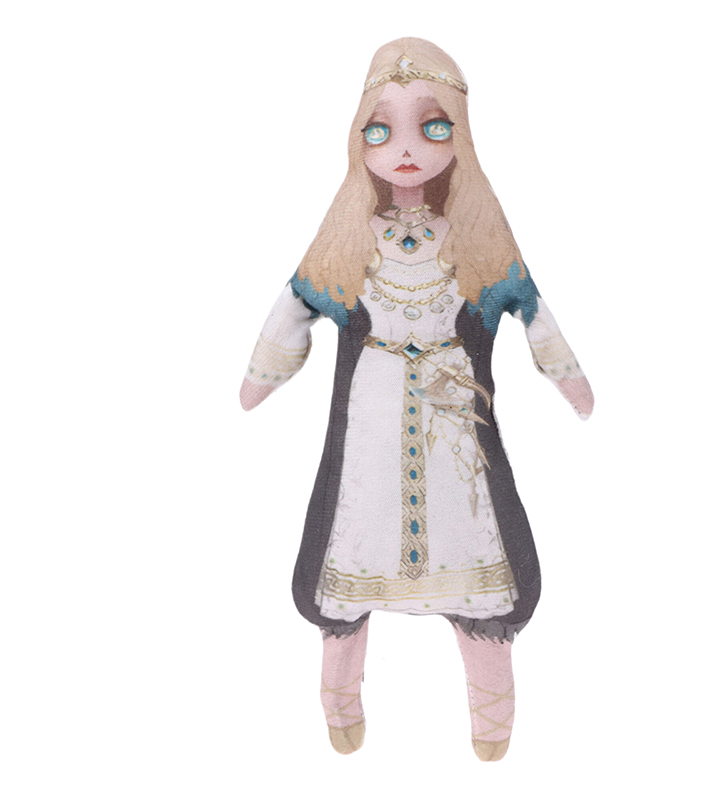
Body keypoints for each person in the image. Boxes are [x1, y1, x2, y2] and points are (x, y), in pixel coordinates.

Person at [239, 38, 593, 761]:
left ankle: (491, 722)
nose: (405, 148)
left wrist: (569, 379)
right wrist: (262, 377)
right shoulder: (345, 238)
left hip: (454, 426)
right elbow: (294, 305)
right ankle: (341, 708)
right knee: (348, 558)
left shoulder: (478, 237)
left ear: (460, 134)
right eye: (381, 129)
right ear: (358, 138)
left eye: (432, 126)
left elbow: (532, 309)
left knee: (480, 565)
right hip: (368, 423)